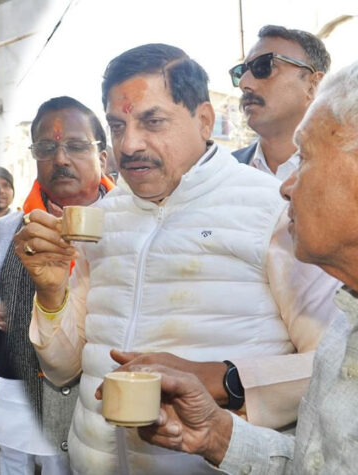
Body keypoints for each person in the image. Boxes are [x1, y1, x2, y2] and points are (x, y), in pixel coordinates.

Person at [18, 44, 342, 474]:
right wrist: (51, 293)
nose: (129, 144)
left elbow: (336, 367)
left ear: (204, 120)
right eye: (117, 125)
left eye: (152, 121)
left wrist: (226, 379)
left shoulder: (274, 212)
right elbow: (63, 370)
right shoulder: (102, 219)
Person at [134, 59, 358, 475]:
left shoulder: (262, 211)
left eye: (305, 158)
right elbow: (317, 463)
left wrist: (228, 380)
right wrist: (218, 437)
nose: (286, 187)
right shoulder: (344, 327)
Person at [0, 96, 114, 474]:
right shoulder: (12, 226)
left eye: (76, 146)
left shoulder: (129, 223)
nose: (60, 159)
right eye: (46, 148)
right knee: (13, 463)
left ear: (103, 158)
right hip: (18, 380)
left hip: (94, 393)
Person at [232, 25, 330, 181]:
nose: (244, 83)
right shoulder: (222, 174)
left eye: (264, 66)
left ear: (313, 86)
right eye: (241, 72)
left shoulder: (349, 170)